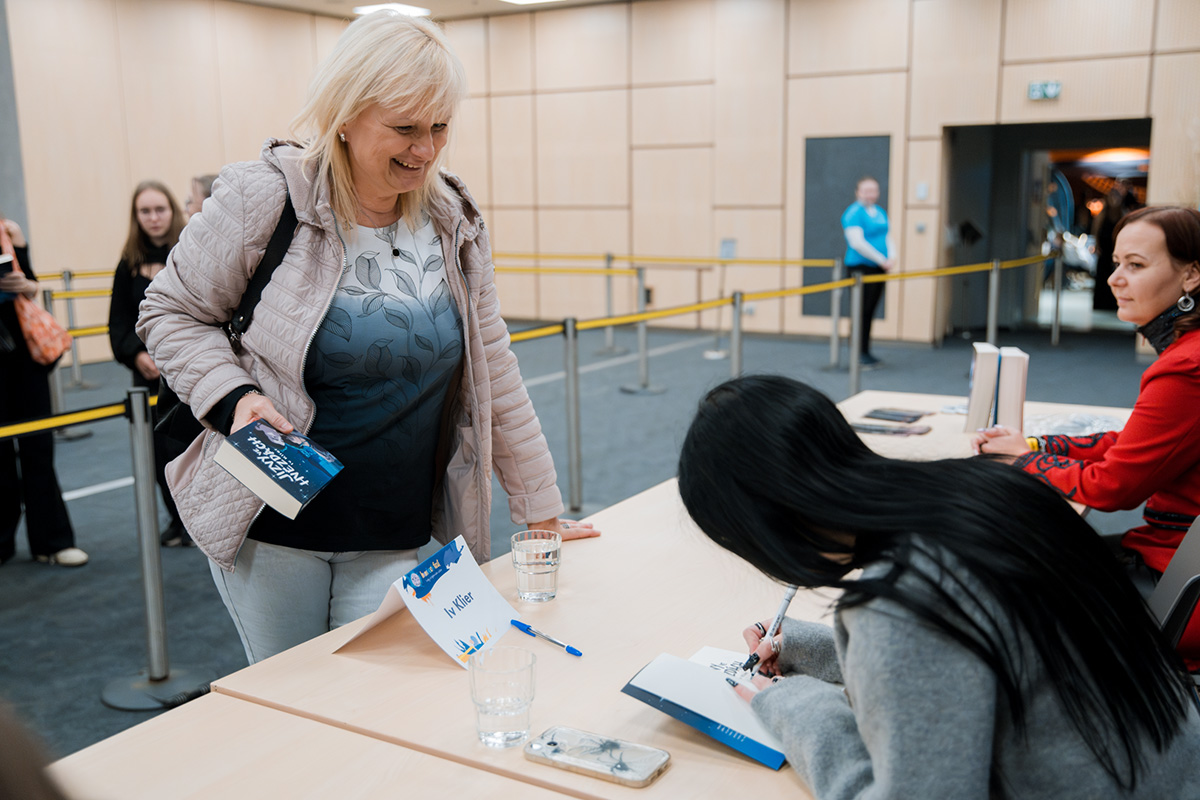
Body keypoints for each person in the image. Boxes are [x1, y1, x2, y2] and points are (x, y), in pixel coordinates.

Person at [137, 11, 597, 664]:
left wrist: (540, 508)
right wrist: (235, 399)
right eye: (405, 128)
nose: (426, 150)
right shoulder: (263, 198)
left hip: (396, 527)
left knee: (383, 698)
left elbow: (492, 363)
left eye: (440, 127)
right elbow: (170, 313)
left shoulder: (453, 220)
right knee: (293, 699)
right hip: (272, 523)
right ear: (345, 117)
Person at [677, 375, 1200, 798]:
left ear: (764, 527)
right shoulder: (987, 486)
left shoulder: (900, 602)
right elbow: (974, 654)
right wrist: (808, 649)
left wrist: (795, 707)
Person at [975, 206, 1200, 664]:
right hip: (1178, 565)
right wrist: (1037, 445)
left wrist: (1023, 461)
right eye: (1116, 263)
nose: (1114, 279)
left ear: (1191, 275)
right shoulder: (1187, 353)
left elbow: (1112, 487)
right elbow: (1136, 442)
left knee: (995, 583)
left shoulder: (1185, 367)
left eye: (1135, 265)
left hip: (1178, 589)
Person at [0, 215, 87, 568]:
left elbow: (31, 284)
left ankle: (51, 541)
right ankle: (3, 541)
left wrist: (23, 284)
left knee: (38, 446)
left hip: (24, 355)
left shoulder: (8, 231)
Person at [108, 181, 188, 546]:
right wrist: (136, 354)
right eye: (145, 211)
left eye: (160, 209)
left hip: (190, 372)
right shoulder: (127, 264)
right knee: (159, 456)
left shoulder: (190, 251)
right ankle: (177, 521)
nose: (153, 218)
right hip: (149, 379)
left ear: (172, 211)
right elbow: (119, 323)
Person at [840, 176, 895, 369]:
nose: (870, 194)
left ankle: (865, 350)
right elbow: (857, 243)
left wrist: (891, 257)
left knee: (870, 311)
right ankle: (857, 353)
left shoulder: (879, 212)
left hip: (879, 268)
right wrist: (881, 259)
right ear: (858, 192)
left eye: (874, 190)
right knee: (860, 311)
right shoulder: (853, 213)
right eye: (866, 190)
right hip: (860, 268)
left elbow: (887, 236)